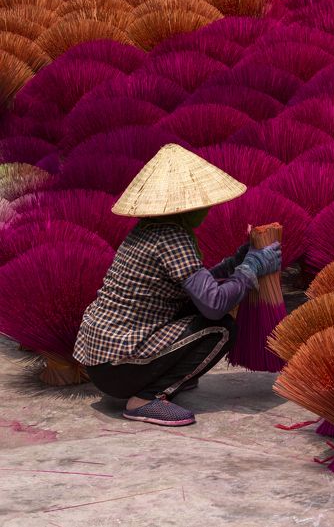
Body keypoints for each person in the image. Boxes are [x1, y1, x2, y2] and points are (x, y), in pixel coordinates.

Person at [72, 144, 281, 426]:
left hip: (102, 363)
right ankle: (146, 398)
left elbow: (197, 287)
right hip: (119, 367)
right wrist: (252, 267)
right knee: (221, 328)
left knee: (194, 311)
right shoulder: (172, 238)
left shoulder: (148, 230)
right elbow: (214, 304)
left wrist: (236, 262)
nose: (206, 208)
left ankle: (170, 374)